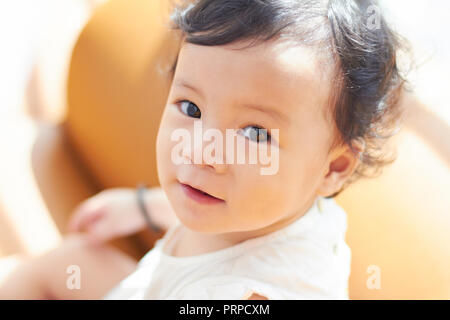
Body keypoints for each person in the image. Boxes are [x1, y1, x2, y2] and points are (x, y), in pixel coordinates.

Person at [0, 0, 409, 300]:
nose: (202, 152)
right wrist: (142, 206)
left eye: (253, 134)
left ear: (333, 168)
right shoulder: (260, 204)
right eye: (191, 108)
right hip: (151, 284)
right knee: (69, 261)